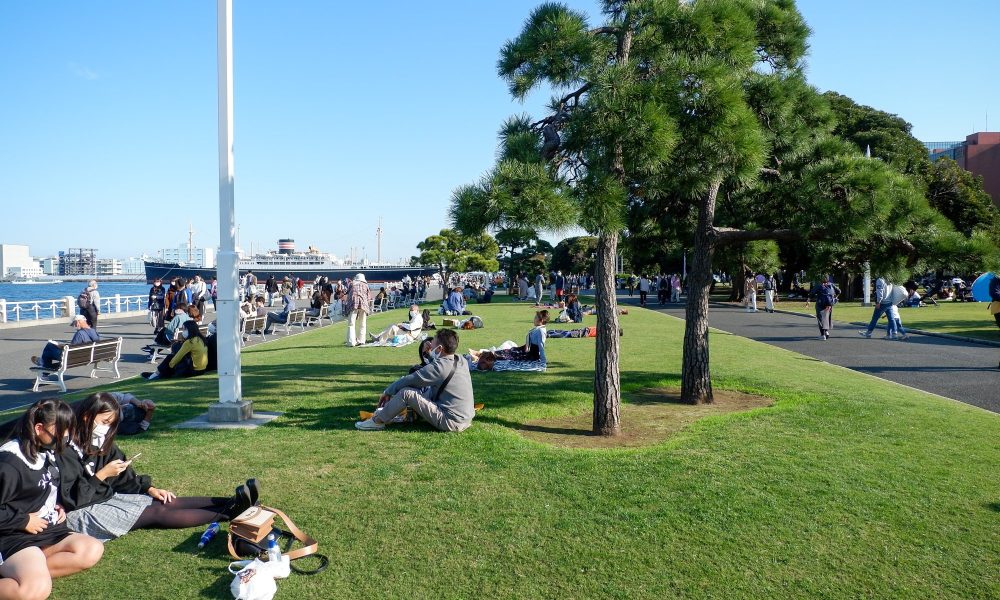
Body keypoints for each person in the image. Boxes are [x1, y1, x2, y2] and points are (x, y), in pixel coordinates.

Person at [56, 393, 256, 544]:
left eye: (111, 424)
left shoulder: (101, 441)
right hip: (79, 511)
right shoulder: (64, 449)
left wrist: (149, 489)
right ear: (86, 416)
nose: (107, 428)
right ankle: (231, 513)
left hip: (104, 496)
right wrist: (101, 475)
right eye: (105, 422)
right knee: (154, 513)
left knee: (164, 501)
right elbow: (70, 499)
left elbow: (124, 477)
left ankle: (233, 502)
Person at [0, 399, 104, 598]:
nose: (65, 437)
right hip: (12, 534)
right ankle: (28, 575)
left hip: (45, 529)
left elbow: (46, 485)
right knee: (34, 591)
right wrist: (24, 521)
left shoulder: (45, 450)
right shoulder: (9, 463)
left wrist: (56, 504)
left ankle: (29, 570)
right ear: (39, 428)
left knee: (91, 549)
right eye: (60, 431)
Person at [355, 329, 475, 432]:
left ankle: (377, 421)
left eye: (432, 342)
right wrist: (429, 355)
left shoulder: (439, 367)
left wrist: (387, 392)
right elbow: (440, 367)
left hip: (451, 422)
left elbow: (410, 380)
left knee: (406, 393)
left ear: (439, 348)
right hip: (465, 418)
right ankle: (389, 413)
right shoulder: (460, 359)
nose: (430, 343)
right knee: (424, 390)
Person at [473, 310, 548, 363]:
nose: (534, 319)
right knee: (508, 351)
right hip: (525, 350)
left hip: (530, 355)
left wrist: (543, 361)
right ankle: (481, 354)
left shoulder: (541, 331)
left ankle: (480, 356)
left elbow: (541, 346)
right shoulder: (537, 329)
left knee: (508, 355)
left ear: (541, 320)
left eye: (535, 318)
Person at [142, 321, 207, 380]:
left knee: (170, 358)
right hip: (202, 369)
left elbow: (178, 356)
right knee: (171, 361)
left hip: (194, 371)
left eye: (184, 329)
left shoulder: (190, 342)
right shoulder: (200, 339)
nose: (183, 331)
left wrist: (169, 365)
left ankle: (153, 376)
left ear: (189, 330)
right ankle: (158, 374)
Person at [33, 315, 100, 369]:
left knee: (49, 346)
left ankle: (42, 363)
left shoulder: (80, 333)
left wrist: (60, 346)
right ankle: (43, 369)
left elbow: (71, 349)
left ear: (78, 322)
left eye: (74, 324)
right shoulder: (93, 331)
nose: (74, 326)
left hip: (73, 358)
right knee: (50, 350)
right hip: (88, 357)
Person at [807, 275, 840, 340]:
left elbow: (811, 293)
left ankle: (822, 335)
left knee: (820, 319)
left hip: (820, 304)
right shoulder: (831, 285)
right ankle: (827, 332)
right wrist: (835, 298)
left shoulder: (819, 286)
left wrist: (808, 300)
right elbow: (839, 291)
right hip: (829, 304)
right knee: (827, 318)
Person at [346, 273, 373, 347]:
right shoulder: (366, 285)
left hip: (353, 304)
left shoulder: (352, 284)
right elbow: (369, 297)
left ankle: (351, 342)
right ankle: (361, 341)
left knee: (351, 324)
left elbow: (348, 294)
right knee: (362, 323)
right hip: (363, 305)